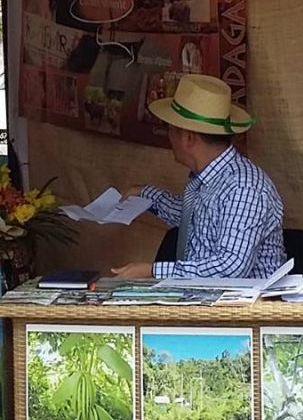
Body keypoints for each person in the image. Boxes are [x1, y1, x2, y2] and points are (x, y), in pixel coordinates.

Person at [112, 74, 286, 280]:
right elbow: (193, 216)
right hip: (206, 303)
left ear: (188, 138)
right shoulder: (208, 178)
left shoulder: (244, 187)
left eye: (170, 129)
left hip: (243, 309)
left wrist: (151, 271)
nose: (168, 137)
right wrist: (145, 194)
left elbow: (230, 268)